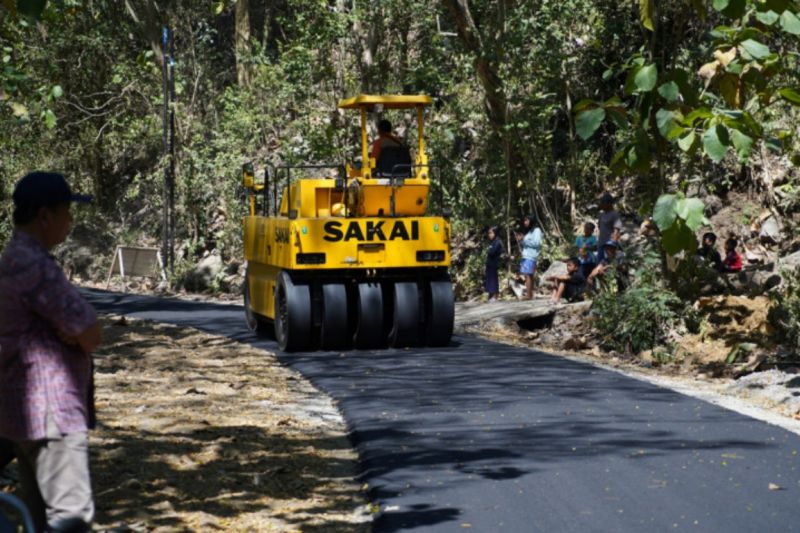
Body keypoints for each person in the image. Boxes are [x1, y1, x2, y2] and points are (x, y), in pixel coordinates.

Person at [0, 172, 102, 532]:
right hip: (52, 411)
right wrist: (77, 334)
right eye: (66, 213)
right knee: (70, 517)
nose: (70, 222)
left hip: (22, 413)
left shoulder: (12, 258)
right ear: (45, 216)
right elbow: (89, 330)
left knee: (40, 520)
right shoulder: (37, 266)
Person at [515, 214, 543, 300]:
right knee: (529, 275)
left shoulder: (537, 230)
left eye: (527, 220)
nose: (525, 222)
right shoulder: (529, 232)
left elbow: (537, 243)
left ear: (531, 220)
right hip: (526, 255)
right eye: (524, 220)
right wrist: (521, 240)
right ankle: (531, 294)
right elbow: (525, 244)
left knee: (528, 275)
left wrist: (524, 240)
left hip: (531, 256)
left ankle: (529, 295)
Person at [597, 192, 623, 263]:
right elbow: (600, 227)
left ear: (609, 204)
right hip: (601, 243)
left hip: (609, 245)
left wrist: (613, 245)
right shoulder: (601, 215)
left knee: (608, 264)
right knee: (599, 264)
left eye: (603, 203)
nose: (601, 205)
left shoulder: (615, 215)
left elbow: (616, 231)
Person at [484, 226, 503, 301]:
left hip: (494, 263)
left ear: (495, 233)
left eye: (491, 233)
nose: (490, 235)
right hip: (489, 263)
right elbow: (489, 252)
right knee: (489, 280)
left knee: (493, 280)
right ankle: (490, 295)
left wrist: (489, 249)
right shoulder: (492, 242)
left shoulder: (498, 242)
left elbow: (491, 252)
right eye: (489, 233)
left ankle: (495, 296)